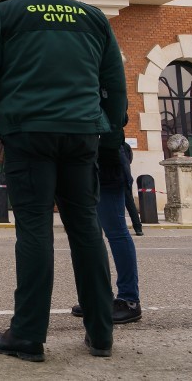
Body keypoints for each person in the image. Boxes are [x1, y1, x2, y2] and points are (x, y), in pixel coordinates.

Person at [0, 0, 127, 362]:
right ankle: (101, 333)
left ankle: (28, 335)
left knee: (34, 230)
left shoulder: (4, 14)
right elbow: (115, 83)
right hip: (83, 133)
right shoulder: (93, 17)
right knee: (86, 227)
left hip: (28, 134)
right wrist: (112, 137)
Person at [72, 130, 142, 324]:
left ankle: (129, 300)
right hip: (85, 159)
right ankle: (99, 299)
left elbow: (117, 119)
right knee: (90, 234)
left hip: (105, 161)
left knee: (116, 232)